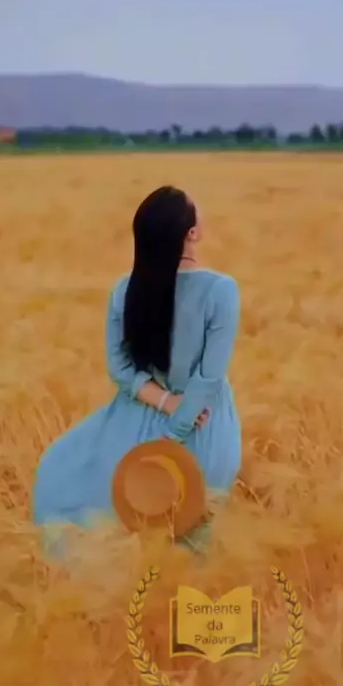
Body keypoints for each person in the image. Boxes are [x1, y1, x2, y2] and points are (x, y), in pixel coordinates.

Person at [32, 185, 242, 548]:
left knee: (111, 521)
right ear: (192, 233)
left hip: (134, 426)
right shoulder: (221, 290)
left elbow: (119, 368)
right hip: (204, 427)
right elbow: (207, 378)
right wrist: (173, 437)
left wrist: (164, 407)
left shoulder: (125, 289)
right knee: (195, 539)